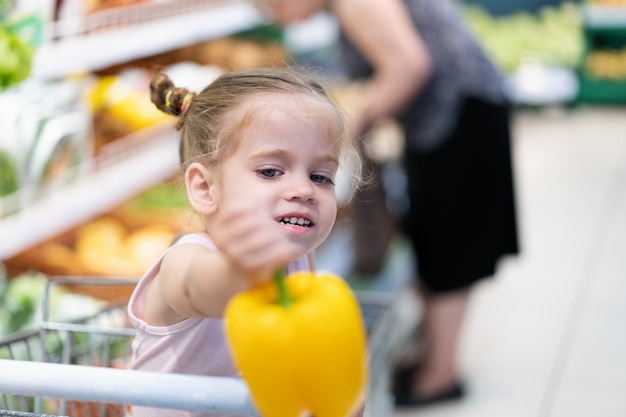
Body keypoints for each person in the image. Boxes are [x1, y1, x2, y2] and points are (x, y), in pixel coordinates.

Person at [262, 0, 520, 407]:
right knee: (437, 238)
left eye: (269, 4)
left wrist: (351, 124)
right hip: (447, 118)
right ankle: (433, 356)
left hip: (459, 116)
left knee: (451, 246)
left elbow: (410, 67)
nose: (270, 14)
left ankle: (441, 375)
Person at [127, 67, 362, 417]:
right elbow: (197, 288)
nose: (304, 190)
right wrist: (239, 271)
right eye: (270, 171)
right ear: (206, 188)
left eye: (320, 176)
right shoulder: (187, 259)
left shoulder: (298, 263)